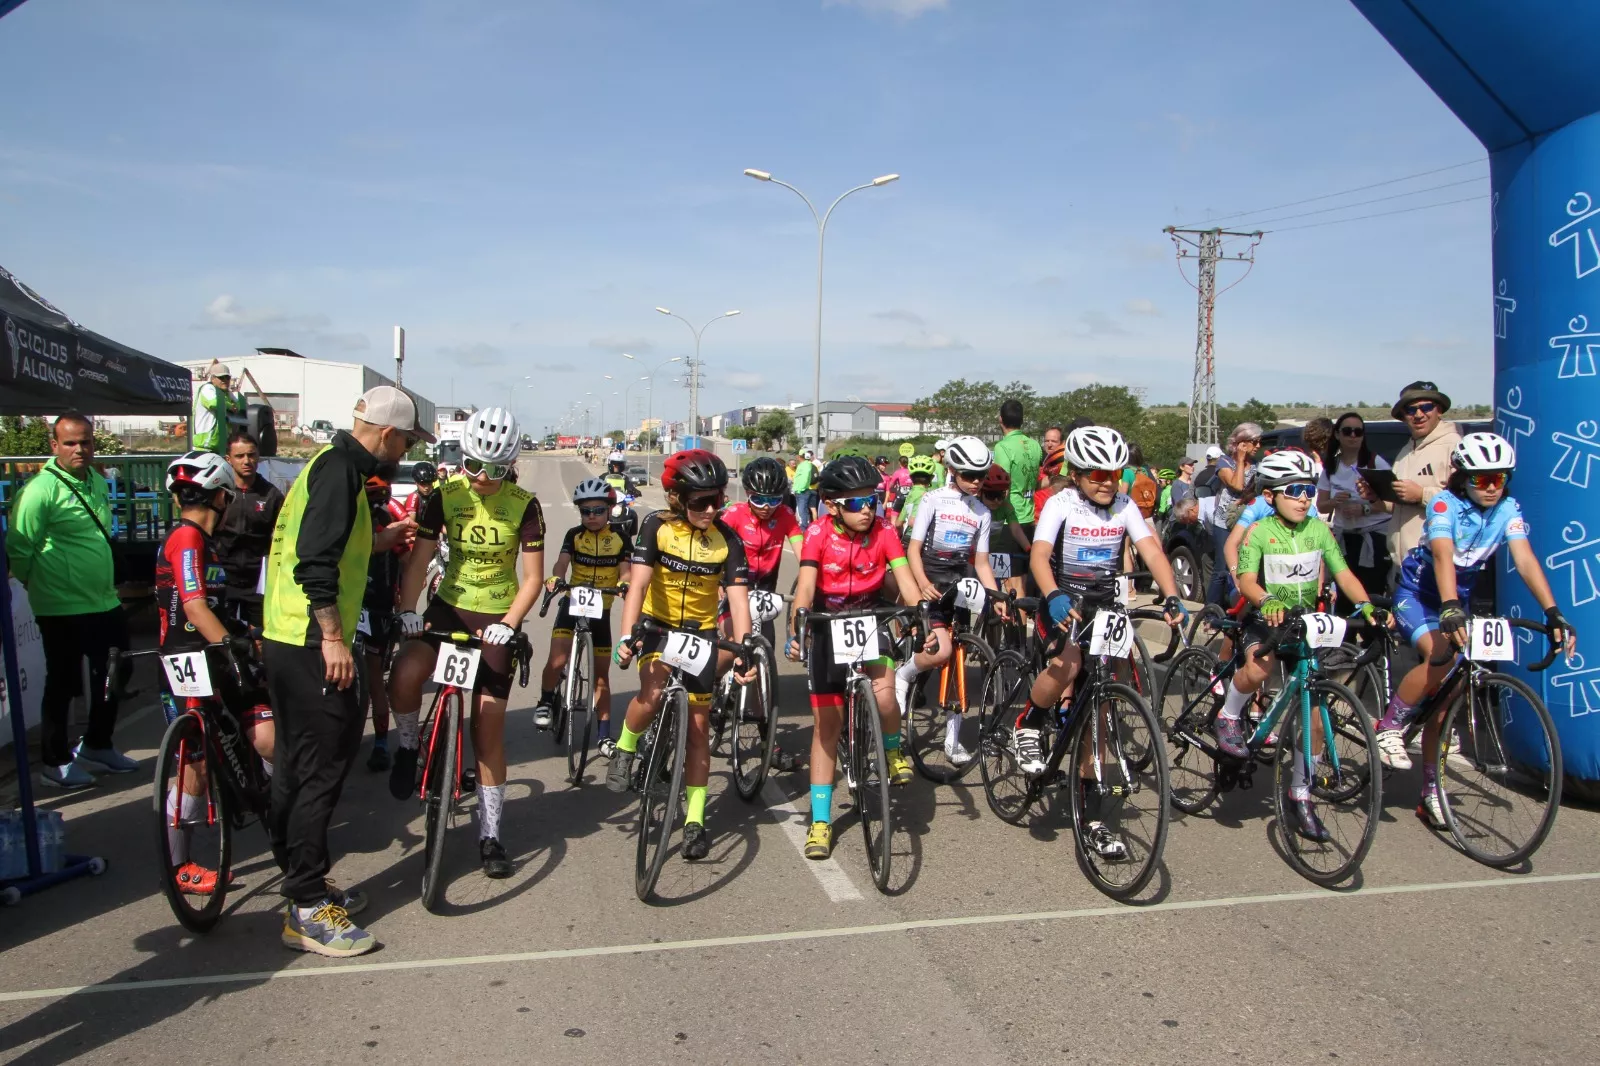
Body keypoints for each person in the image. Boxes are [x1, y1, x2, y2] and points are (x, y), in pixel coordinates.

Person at [262, 386, 425, 957]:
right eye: (405, 439)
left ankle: (299, 877)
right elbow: (314, 562)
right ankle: (306, 907)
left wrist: (378, 540)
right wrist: (333, 636)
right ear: (386, 434)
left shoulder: (329, 469)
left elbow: (325, 543)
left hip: (284, 638)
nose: (405, 451)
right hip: (311, 642)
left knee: (295, 764)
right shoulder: (338, 473)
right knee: (323, 770)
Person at [1379, 433, 1577, 827]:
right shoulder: (1443, 503)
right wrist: (1450, 605)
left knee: (1448, 697)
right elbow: (1441, 554)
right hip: (1419, 595)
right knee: (1441, 653)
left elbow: (1524, 559)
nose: (1490, 487)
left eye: (1499, 479)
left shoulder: (1508, 509)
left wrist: (1553, 612)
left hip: (1456, 601)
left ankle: (1432, 789)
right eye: (1481, 479)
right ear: (1462, 478)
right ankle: (1389, 726)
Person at [1012, 426, 1186, 857]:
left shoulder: (1125, 505)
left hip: (1105, 608)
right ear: (1075, 474)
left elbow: (1152, 551)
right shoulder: (1061, 503)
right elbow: (1038, 554)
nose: (1107, 482)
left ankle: (1091, 818)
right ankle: (1029, 722)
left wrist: (1172, 595)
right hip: (1064, 601)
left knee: (1103, 708)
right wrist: (1051, 594)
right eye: (1096, 475)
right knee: (1067, 665)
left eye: (1113, 473)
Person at [385, 407, 543, 881]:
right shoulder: (445, 495)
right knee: (406, 673)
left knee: (488, 728)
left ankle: (490, 835)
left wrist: (511, 623)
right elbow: (418, 561)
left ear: (510, 465)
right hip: (447, 606)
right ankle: (410, 746)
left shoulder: (525, 504)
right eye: (473, 464)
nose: (481, 477)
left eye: (494, 469)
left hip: (496, 614)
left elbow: (532, 579)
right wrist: (409, 611)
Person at [1222, 449, 1385, 842]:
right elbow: (1246, 580)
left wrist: (1364, 605)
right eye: (1293, 490)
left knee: (1313, 713)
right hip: (1265, 618)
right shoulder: (1260, 532)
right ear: (1269, 497)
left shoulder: (1319, 530)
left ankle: (1300, 792)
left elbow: (1343, 573)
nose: (1303, 498)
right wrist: (1267, 601)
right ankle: (1229, 715)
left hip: (1307, 623)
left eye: (1309, 491)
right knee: (1259, 668)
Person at [607, 449, 755, 862]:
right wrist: (626, 635)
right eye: (699, 503)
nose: (710, 510)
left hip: (702, 632)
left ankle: (694, 821)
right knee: (652, 691)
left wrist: (743, 649)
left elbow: (739, 603)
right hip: (657, 624)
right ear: (676, 498)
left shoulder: (728, 539)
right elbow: (636, 586)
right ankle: (625, 745)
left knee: (697, 726)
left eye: (717, 500)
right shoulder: (656, 526)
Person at [786, 455, 926, 859]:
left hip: (868, 615)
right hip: (827, 622)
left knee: (885, 697)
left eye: (873, 501)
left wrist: (920, 618)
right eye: (855, 503)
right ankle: (820, 822)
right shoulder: (815, 533)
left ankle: (894, 749)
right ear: (831, 505)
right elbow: (807, 588)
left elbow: (905, 579)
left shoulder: (884, 531)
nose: (866, 510)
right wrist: (799, 624)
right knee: (825, 728)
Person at [155, 451, 275, 894]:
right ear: (221, 496)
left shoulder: (204, 542)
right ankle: (178, 864)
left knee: (255, 742)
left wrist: (246, 633)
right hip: (191, 662)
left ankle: (267, 798)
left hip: (204, 655)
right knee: (194, 768)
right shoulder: (187, 537)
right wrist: (231, 645)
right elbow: (193, 605)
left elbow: (216, 606)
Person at [6, 413, 135, 788]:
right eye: (70, 443)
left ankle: (98, 744)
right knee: (62, 682)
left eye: (86, 442)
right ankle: (55, 760)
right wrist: (41, 585)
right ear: (54, 446)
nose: (80, 449)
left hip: (103, 600)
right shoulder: (40, 490)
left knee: (116, 672)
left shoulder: (96, 479)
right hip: (61, 606)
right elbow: (19, 546)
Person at [895, 436, 1005, 767]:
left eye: (981, 476)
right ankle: (904, 673)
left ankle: (953, 738)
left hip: (959, 586)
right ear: (952, 470)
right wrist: (923, 583)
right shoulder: (933, 499)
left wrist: (996, 596)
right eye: (969, 475)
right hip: (928, 581)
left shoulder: (982, 512)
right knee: (940, 651)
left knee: (957, 660)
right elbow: (913, 550)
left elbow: (982, 563)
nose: (976, 482)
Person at [535, 477, 631, 756]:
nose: (591, 516)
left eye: (598, 510)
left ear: (609, 509)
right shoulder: (573, 535)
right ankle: (545, 700)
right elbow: (562, 561)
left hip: (601, 607)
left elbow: (625, 569)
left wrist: (625, 582)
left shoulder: (620, 538)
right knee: (557, 660)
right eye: (586, 511)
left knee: (602, 677)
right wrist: (556, 576)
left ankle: (603, 736)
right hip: (572, 602)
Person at [1363, 381, 1463, 561]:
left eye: (1426, 407)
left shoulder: (1455, 446)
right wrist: (1375, 498)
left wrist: (1421, 495)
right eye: (1411, 410)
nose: (1418, 414)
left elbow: (1466, 503)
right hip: (1403, 564)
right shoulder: (1405, 452)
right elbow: (1396, 507)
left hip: (1436, 564)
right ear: (1403, 415)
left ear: (1438, 410)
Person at [1318, 411, 1393, 608]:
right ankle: (1347, 637)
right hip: (1345, 537)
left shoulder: (1374, 462)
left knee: (1371, 594)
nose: (1353, 436)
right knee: (1344, 596)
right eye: (1347, 431)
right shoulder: (1331, 467)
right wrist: (1335, 501)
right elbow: (1321, 505)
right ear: (1337, 435)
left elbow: (1392, 505)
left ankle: (1372, 637)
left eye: (1358, 432)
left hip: (1373, 538)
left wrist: (1364, 510)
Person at [213, 430, 285, 629]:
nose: (247, 461)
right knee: (222, 637)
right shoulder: (219, 493)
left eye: (251, 455)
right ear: (228, 459)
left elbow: (283, 537)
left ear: (258, 456)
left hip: (258, 581)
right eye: (240, 456)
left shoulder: (272, 495)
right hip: (223, 578)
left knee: (260, 639)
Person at [360, 474, 404, 772]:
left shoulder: (389, 517)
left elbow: (406, 558)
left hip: (377, 607)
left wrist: (403, 601)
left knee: (374, 676)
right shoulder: (348, 518)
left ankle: (379, 742)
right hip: (351, 605)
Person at [1203, 422, 1263, 606]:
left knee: (1246, 566)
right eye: (1255, 442)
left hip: (1246, 520)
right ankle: (1211, 610)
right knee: (1222, 568)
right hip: (1224, 522)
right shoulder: (1224, 463)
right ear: (1241, 443)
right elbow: (1236, 485)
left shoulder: (1257, 465)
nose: (1258, 446)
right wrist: (1240, 459)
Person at [992, 398, 1044, 549]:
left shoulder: (1003, 446)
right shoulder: (1035, 445)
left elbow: (1001, 485)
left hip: (1010, 520)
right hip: (1029, 517)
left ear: (1000, 419)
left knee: (1008, 570)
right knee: (1022, 569)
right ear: (1022, 420)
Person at [191, 361, 244, 455]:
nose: (225, 380)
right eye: (221, 377)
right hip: (204, 447)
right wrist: (230, 406)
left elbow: (238, 405)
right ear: (213, 378)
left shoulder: (227, 393)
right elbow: (215, 403)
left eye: (227, 377)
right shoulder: (207, 388)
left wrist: (233, 406)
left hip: (220, 447)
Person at [893, 454, 939, 539]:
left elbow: (898, 523)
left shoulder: (910, 494)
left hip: (906, 538)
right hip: (919, 538)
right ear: (932, 477)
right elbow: (912, 522)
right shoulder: (925, 495)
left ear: (911, 477)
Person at [792, 448, 818, 528]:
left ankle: (804, 528)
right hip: (808, 490)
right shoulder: (808, 464)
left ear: (800, 456)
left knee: (802, 510)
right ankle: (807, 525)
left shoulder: (805, 465)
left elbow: (805, 477)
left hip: (802, 491)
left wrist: (801, 488)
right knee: (807, 510)